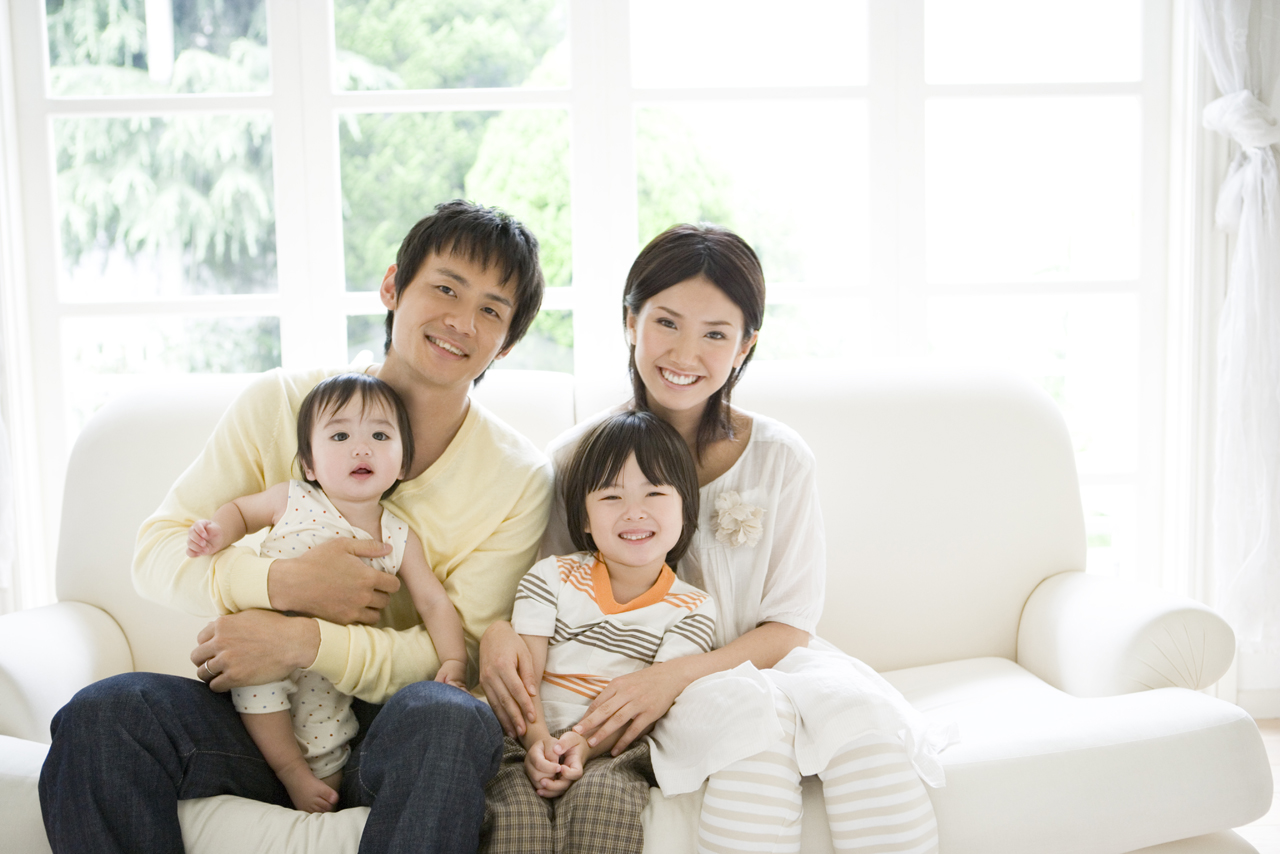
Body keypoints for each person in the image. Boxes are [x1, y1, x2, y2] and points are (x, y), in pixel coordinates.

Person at [39, 200, 554, 854]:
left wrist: (304, 641)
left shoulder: (517, 478)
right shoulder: (280, 403)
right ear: (392, 286)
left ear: (507, 342)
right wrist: (281, 585)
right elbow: (159, 554)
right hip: (262, 713)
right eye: (446, 288)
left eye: (491, 310)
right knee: (103, 716)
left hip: (395, 731)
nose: (461, 321)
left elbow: (460, 655)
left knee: (454, 718)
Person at [480, 223, 955, 854]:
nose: (685, 354)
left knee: (858, 715)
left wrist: (676, 677)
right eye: (666, 323)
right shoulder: (576, 457)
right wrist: (500, 637)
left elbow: (790, 626)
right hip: (636, 682)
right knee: (749, 719)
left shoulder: (781, 457)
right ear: (631, 322)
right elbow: (544, 600)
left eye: (715, 334)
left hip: (762, 662)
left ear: (744, 345)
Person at [185, 372, 469, 813]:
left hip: (326, 666)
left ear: (403, 464)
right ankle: (289, 772)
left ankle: (322, 798)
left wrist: (453, 659)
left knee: (328, 732)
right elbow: (241, 511)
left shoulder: (397, 535)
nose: (361, 448)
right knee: (259, 688)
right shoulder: (292, 498)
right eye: (340, 435)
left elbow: (433, 601)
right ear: (310, 465)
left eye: (380, 435)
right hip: (257, 641)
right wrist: (217, 532)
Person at [481, 409, 716, 854]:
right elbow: (525, 674)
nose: (634, 512)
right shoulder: (551, 577)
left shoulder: (692, 608)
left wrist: (583, 746)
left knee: (602, 802)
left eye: (655, 492)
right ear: (584, 518)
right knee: (516, 818)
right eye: (611, 496)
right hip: (524, 736)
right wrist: (539, 744)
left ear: (686, 508)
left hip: (613, 751)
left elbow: (654, 697)